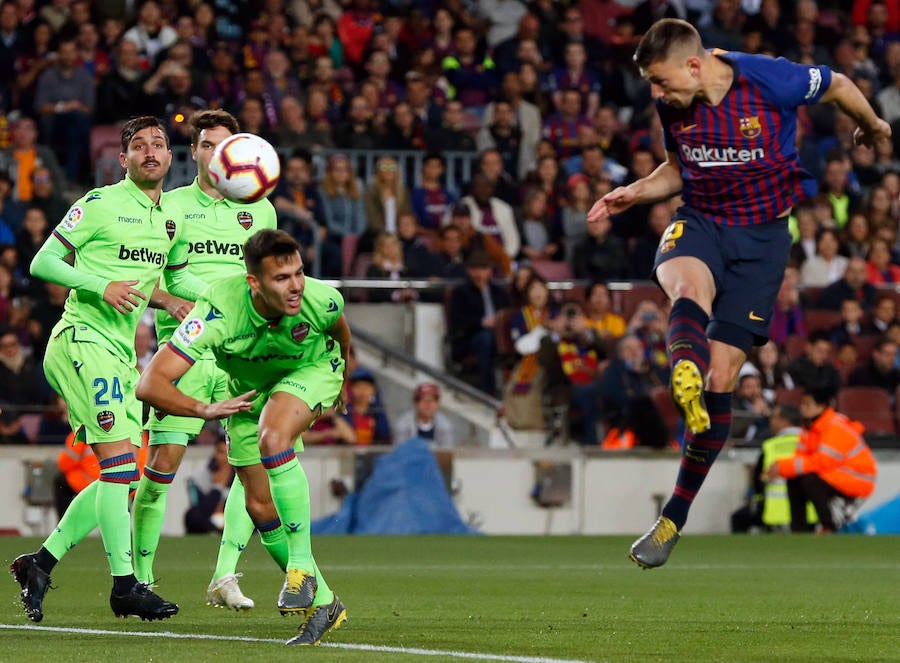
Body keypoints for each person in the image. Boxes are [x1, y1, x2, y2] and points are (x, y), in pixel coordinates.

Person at [586, 18, 891, 568]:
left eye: (661, 82)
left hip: (763, 240)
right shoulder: (673, 104)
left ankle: (672, 519)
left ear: (695, 65)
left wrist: (871, 125)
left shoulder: (768, 80)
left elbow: (840, 83)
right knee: (685, 283)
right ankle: (682, 365)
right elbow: (680, 168)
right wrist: (635, 191)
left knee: (722, 377)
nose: (656, 95)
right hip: (702, 221)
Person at [11, 116, 203, 623]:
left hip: (119, 352)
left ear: (168, 157)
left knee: (122, 473)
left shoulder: (168, 220)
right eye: (139, 146)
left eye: (158, 145)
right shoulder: (99, 204)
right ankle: (125, 587)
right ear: (124, 159)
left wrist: (168, 300)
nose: (150, 152)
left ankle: (41, 562)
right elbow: (44, 262)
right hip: (80, 339)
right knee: (120, 466)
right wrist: (99, 284)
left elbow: (143, 281)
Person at [136, 229, 349, 646]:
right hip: (250, 388)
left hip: (308, 372)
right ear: (254, 282)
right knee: (258, 502)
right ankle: (325, 604)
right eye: (281, 278)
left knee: (274, 437)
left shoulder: (320, 298)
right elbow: (150, 384)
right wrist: (204, 409)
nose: (295, 286)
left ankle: (300, 567)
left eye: (299, 273)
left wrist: (343, 377)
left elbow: (340, 331)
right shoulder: (215, 312)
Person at [132, 109, 276, 610]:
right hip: (187, 351)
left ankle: (225, 575)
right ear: (193, 152)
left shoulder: (261, 209)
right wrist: (225, 297)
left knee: (250, 464)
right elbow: (168, 278)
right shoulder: (170, 206)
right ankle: (141, 579)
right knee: (162, 465)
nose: (217, 153)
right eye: (207, 144)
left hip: (240, 351)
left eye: (225, 144)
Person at [766, 387, 877, 532]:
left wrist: (783, 467)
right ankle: (799, 531)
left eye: (807, 404)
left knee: (811, 480)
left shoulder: (834, 427)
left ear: (821, 406)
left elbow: (822, 462)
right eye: (802, 403)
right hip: (837, 475)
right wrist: (785, 469)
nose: (802, 408)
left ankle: (829, 526)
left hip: (857, 479)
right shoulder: (810, 429)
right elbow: (801, 458)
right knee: (795, 479)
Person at [184, 435, 234, 535]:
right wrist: (217, 487)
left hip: (233, 521)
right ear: (215, 453)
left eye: (229, 453)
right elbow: (201, 511)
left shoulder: (243, 478)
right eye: (221, 452)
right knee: (192, 516)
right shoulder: (197, 479)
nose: (225, 458)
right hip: (207, 523)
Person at [394, 383, 456, 448]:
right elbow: (400, 452)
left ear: (437, 404)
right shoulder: (404, 423)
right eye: (423, 400)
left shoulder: (444, 423)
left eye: (432, 400)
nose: (428, 404)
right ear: (416, 403)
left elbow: (447, 451)